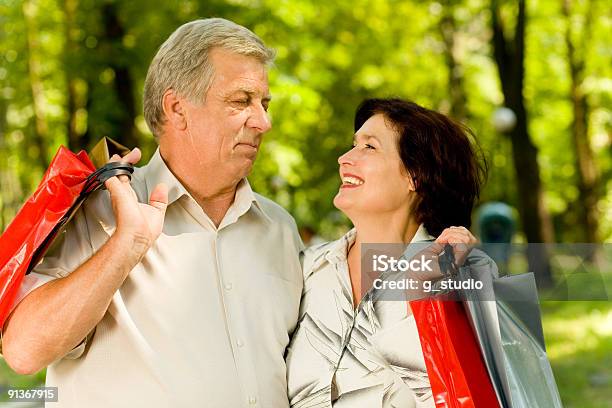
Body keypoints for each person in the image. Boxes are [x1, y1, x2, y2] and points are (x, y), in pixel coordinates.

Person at [1, 18, 303, 407]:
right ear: (178, 109)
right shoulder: (101, 208)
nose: (263, 121)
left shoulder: (280, 229)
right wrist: (127, 246)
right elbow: (24, 351)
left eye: (264, 103)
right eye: (241, 101)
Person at [285, 98, 490, 407]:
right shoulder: (310, 267)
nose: (344, 158)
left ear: (415, 176)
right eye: (353, 145)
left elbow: (462, 397)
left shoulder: (461, 272)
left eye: (369, 147)